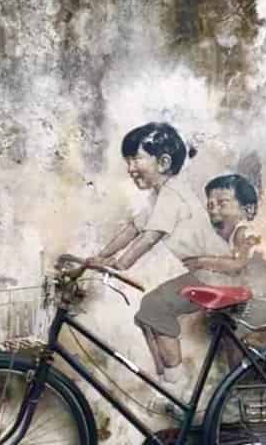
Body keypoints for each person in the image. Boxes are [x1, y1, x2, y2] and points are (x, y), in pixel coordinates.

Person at [90, 122, 230, 404]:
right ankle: (167, 380)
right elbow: (134, 228)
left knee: (155, 307)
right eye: (127, 160)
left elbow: (151, 236)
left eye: (136, 159)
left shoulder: (173, 194)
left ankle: (179, 390)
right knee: (146, 315)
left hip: (216, 275)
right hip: (203, 273)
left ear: (163, 162)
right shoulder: (159, 195)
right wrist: (101, 256)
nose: (130, 167)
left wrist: (121, 263)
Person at [183, 173, 266, 348]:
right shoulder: (233, 236)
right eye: (210, 205)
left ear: (247, 210)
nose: (213, 210)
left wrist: (200, 261)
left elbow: (237, 265)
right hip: (256, 301)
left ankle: (242, 373)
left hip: (263, 302)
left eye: (222, 203)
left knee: (234, 339)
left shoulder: (244, 231)